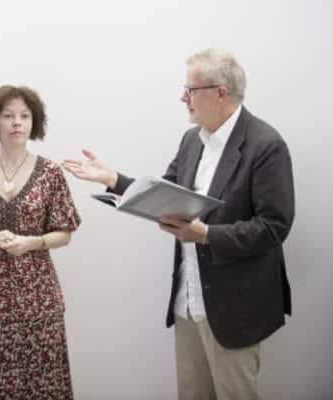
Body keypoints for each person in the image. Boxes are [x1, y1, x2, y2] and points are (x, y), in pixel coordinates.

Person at [63, 49, 294, 399]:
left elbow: (275, 226)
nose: (183, 97)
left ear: (220, 92)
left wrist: (207, 235)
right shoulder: (192, 140)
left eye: (190, 89)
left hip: (233, 307)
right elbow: (164, 192)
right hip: (188, 301)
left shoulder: (266, 145)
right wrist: (113, 180)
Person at [0, 85, 81, 399]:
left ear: (34, 122)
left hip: (37, 298)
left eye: (24, 116)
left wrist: (32, 243)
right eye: (8, 116)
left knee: (41, 383)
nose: (17, 122)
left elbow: (65, 232)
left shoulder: (51, 173)